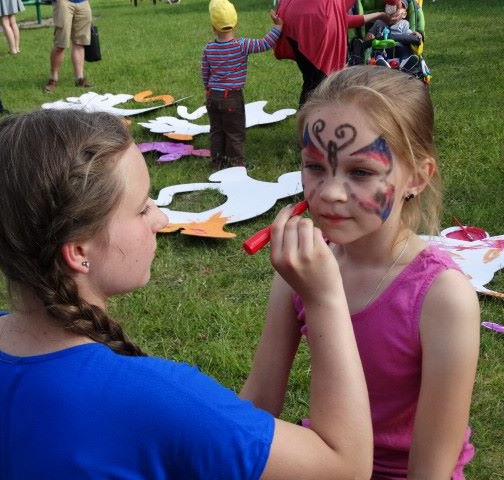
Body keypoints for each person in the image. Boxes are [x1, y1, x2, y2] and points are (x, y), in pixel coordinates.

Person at [0, 108, 374, 479]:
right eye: (143, 206)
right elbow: (345, 466)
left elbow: (226, 436)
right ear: (78, 252)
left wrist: (285, 297)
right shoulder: (152, 397)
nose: (160, 218)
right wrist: (323, 300)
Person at [241, 66, 480, 479]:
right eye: (315, 166)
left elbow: (431, 471)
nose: (330, 192)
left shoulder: (443, 298)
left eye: (361, 172)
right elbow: (259, 400)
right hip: (325, 464)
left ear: (417, 178)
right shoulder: (303, 270)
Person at [201, 0, 282, 170]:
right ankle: (234, 166)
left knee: (216, 131)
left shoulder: (209, 48)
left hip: (213, 96)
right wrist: (277, 28)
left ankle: (216, 162)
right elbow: (265, 44)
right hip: (232, 97)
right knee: (234, 133)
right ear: (235, 23)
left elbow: (205, 72)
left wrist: (206, 90)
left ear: (213, 27)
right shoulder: (242, 45)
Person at [273, 0, 393, 106]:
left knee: (312, 79)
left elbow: (342, 19)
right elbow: (336, 18)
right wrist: (393, 4)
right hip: (313, 21)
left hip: (290, 17)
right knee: (321, 81)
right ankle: (312, 122)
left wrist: (379, 15)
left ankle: (307, 121)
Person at [44, 0, 92, 93]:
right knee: (60, 45)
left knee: (80, 42)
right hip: (64, 2)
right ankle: (53, 79)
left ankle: (79, 79)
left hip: (83, 3)